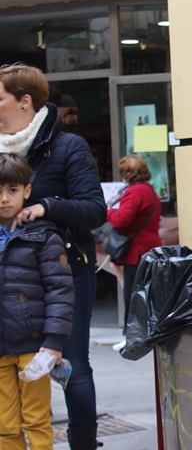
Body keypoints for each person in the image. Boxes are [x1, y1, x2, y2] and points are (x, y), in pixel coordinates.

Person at [0, 63, 107, 449]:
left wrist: (47, 206)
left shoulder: (67, 147)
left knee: (72, 367)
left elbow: (95, 211)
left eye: (0, 99)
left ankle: (82, 443)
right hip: (9, 280)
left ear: (24, 102)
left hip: (64, 274)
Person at [0, 152, 74, 449]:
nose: (4, 198)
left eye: (12, 190)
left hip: (34, 346)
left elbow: (60, 289)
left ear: (26, 191)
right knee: (4, 425)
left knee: (36, 420)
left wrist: (54, 341)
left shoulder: (43, 236)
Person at [107, 155, 162, 352]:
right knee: (146, 295)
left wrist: (107, 211)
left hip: (136, 253)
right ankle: (143, 335)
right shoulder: (150, 191)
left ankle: (130, 337)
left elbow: (122, 220)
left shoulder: (135, 192)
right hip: (150, 249)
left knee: (132, 295)